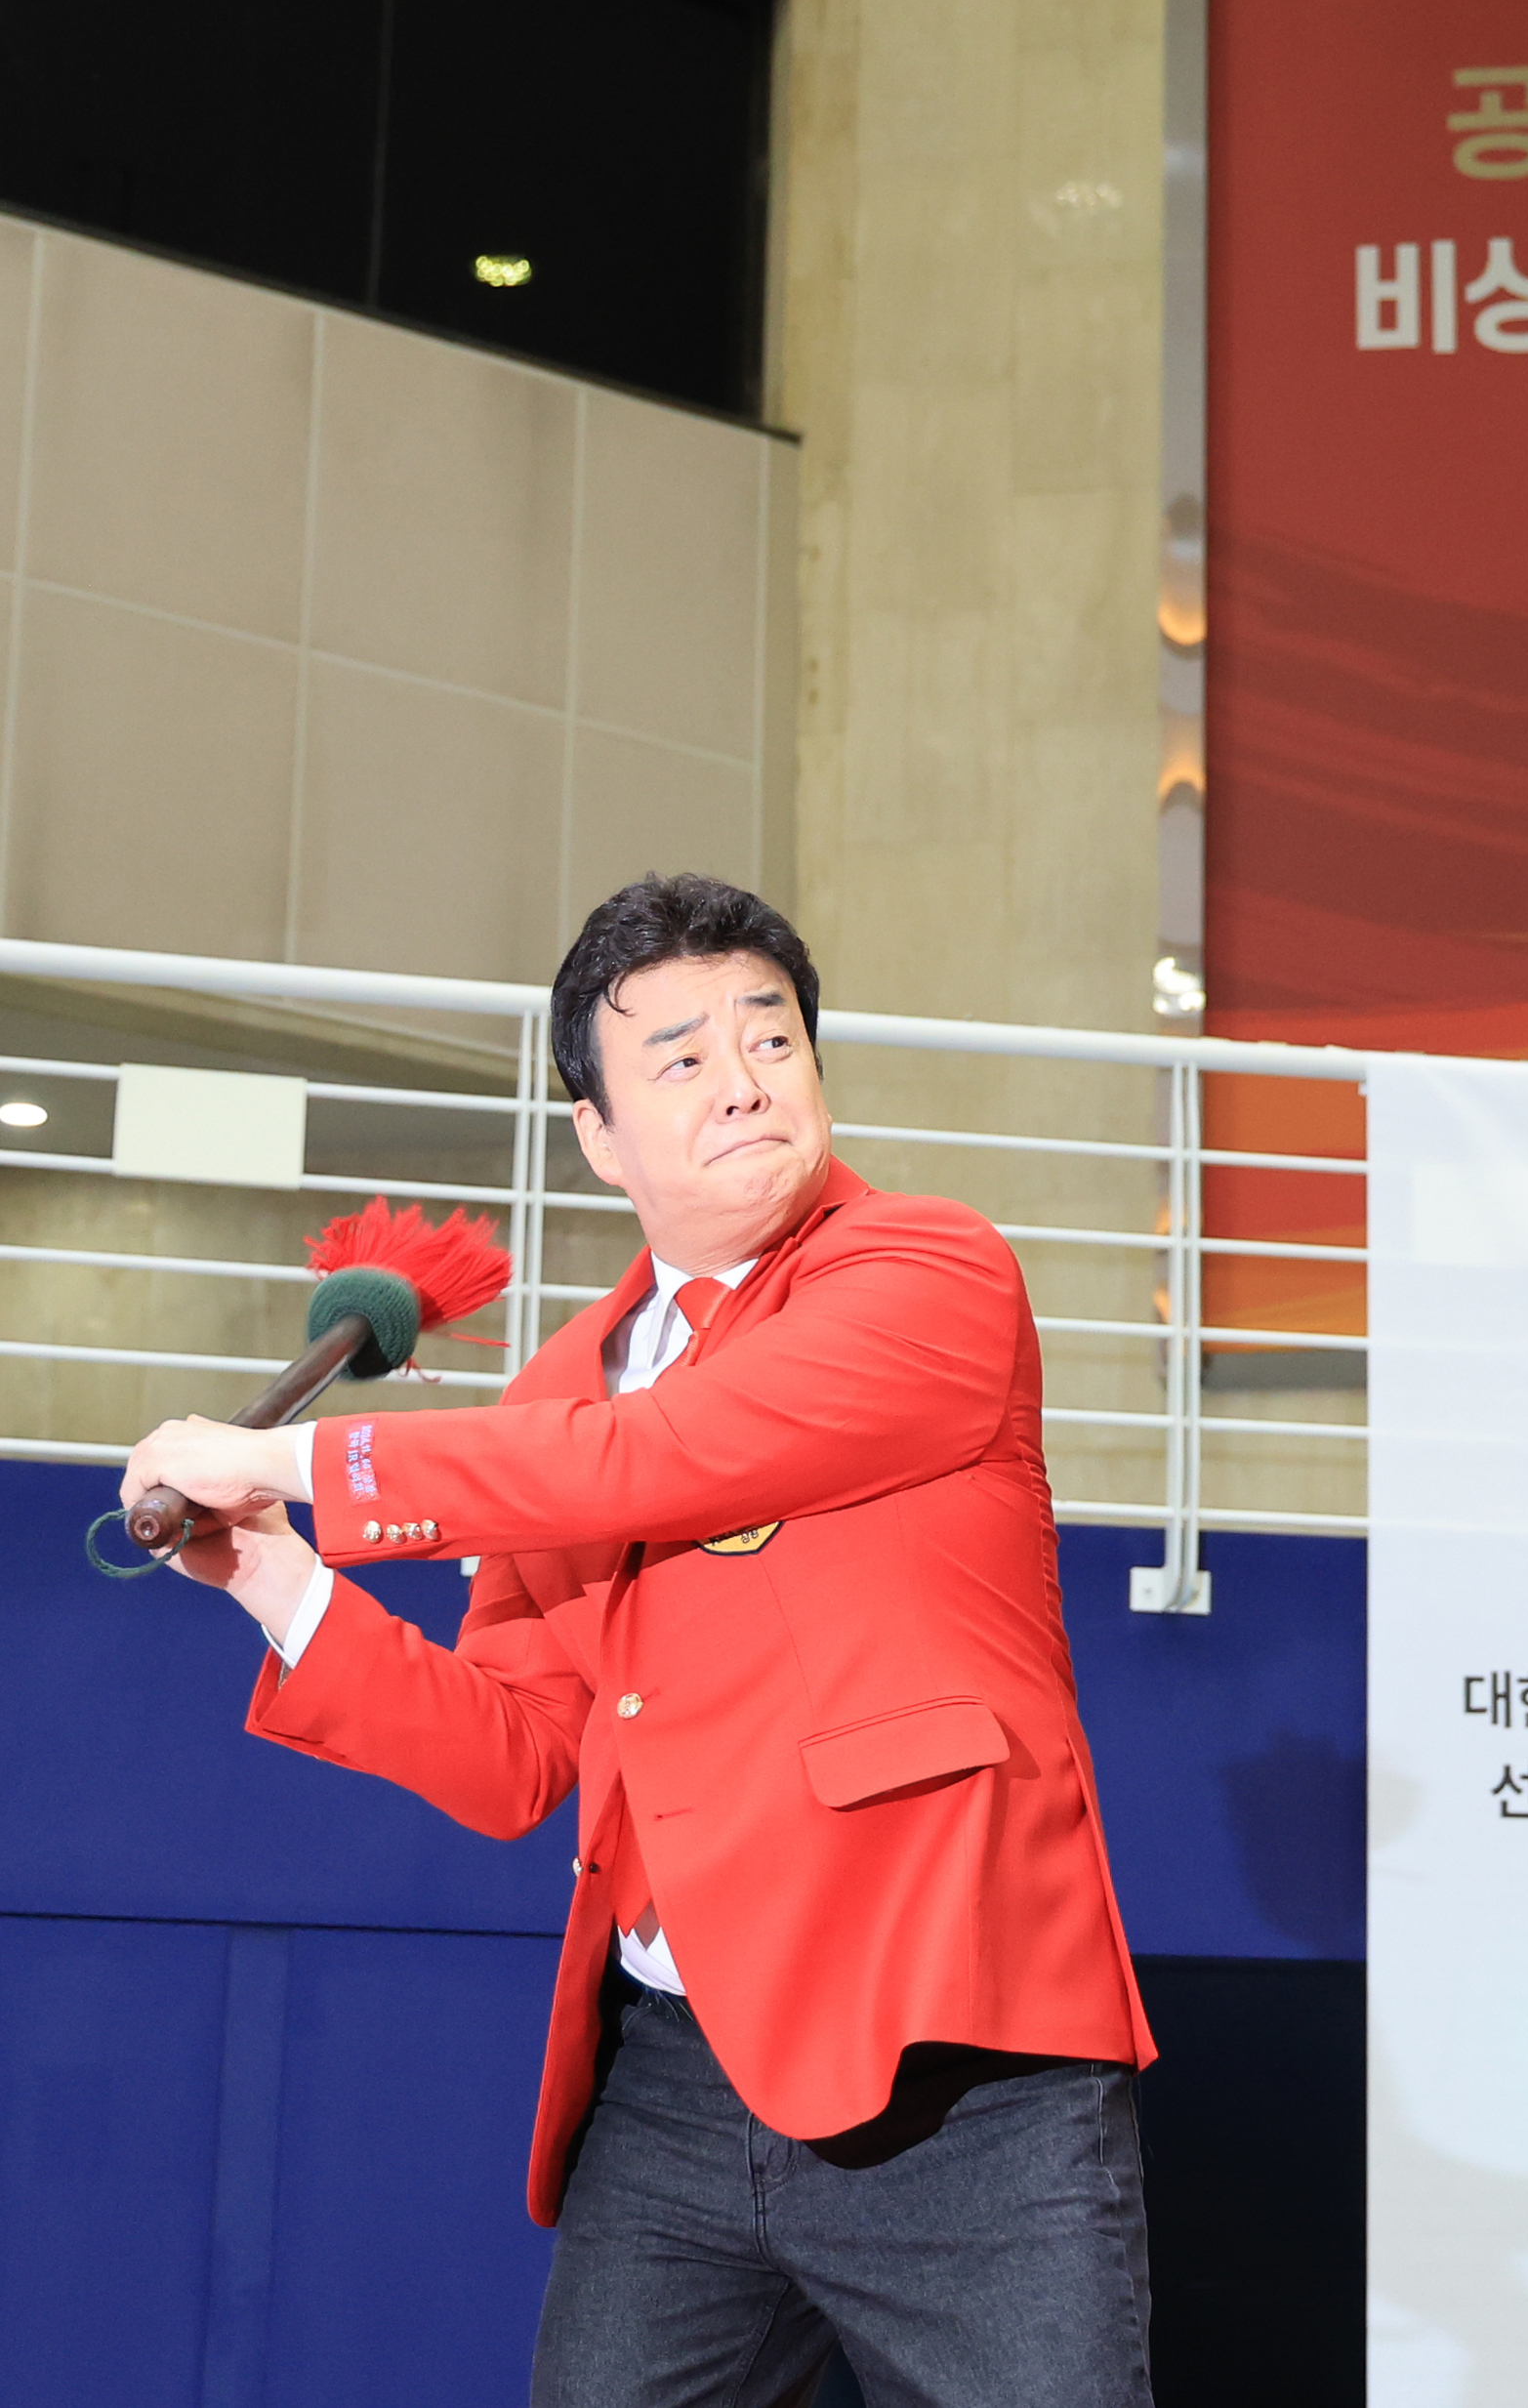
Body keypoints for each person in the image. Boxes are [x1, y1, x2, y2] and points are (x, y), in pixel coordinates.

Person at [121, 874, 1155, 2408]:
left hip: (959, 2057)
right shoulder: (555, 1388)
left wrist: (292, 1463)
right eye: (678, 1057)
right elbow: (520, 1755)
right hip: (672, 2074)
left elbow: (660, 1457)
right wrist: (278, 1581)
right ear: (598, 1136)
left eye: (772, 1038)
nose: (742, 1079)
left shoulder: (927, 1271)